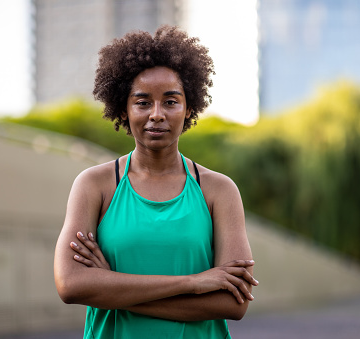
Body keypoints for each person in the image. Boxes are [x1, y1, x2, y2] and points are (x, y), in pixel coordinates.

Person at [54, 25, 258, 339]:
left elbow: (233, 303)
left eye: (171, 101)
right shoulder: (94, 185)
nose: (157, 114)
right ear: (124, 109)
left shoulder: (218, 190)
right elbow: (71, 285)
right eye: (143, 102)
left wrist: (112, 286)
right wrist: (193, 283)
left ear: (189, 108)